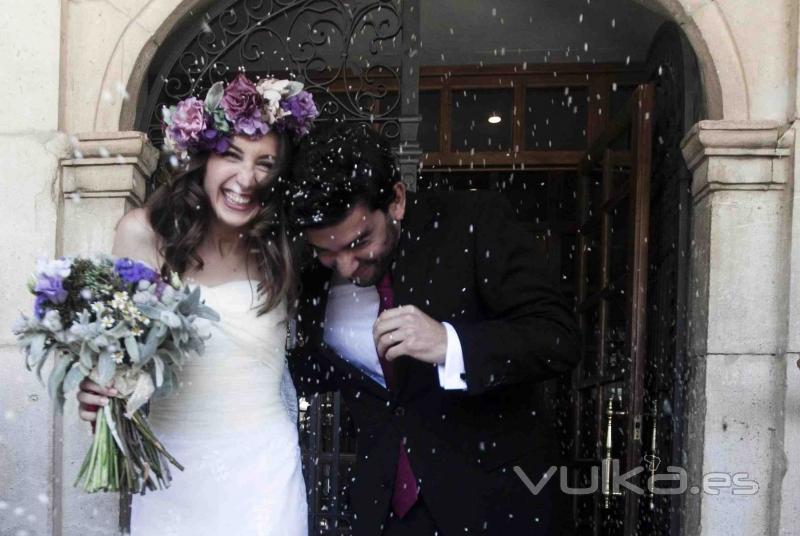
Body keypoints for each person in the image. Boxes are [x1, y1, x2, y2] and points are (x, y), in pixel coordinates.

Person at [286, 122, 581, 535]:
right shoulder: (313, 278)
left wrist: (451, 344)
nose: (346, 267)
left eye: (358, 243)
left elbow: (558, 336)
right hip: (385, 511)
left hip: (494, 506)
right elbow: (318, 369)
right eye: (326, 252)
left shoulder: (473, 223)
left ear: (397, 201)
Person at [76, 74, 318, 535]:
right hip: (175, 475)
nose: (247, 178)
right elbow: (120, 359)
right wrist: (100, 389)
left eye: (265, 163)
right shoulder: (144, 233)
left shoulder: (283, 244)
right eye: (232, 155)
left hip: (265, 476)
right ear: (203, 158)